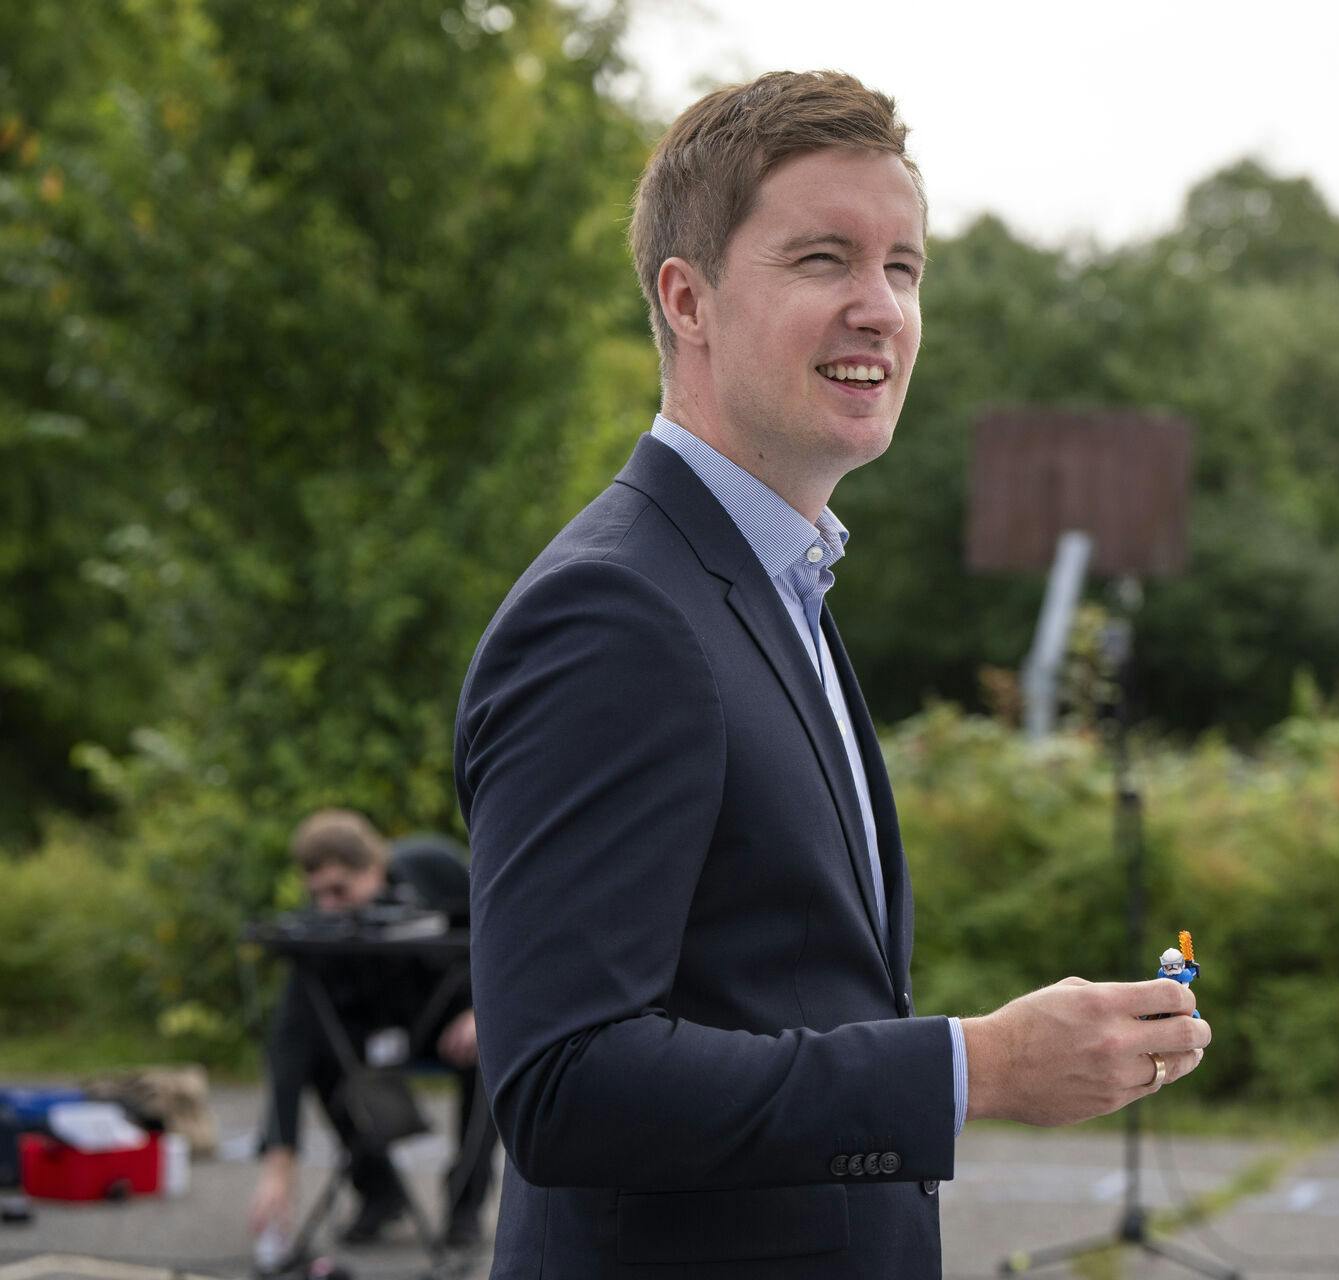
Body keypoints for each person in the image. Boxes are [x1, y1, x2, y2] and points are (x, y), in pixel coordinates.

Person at [454, 70, 1210, 1278]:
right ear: (687, 299)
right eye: (822, 259)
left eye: (903, 267)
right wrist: (981, 1065)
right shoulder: (613, 612)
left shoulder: (771, 579)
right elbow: (564, 1084)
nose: (881, 308)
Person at [247, 809, 497, 1251]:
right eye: (317, 894)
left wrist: (485, 1008)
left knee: (489, 1055)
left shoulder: (437, 868)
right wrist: (278, 1165)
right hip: (376, 1031)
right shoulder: (320, 929)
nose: (329, 905)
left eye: (340, 890)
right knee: (323, 1058)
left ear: (374, 867)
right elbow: (288, 1044)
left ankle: (464, 1204)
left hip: (452, 1018)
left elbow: (505, 933)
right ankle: (379, 1193)